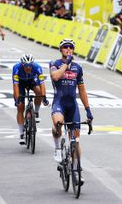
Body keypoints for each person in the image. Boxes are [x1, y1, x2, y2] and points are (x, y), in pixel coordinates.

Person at [49, 38, 93, 185]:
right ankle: (57, 148)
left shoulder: (78, 68)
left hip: (72, 105)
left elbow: (82, 90)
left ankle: (77, 170)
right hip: (59, 103)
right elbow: (55, 76)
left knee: (76, 140)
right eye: (65, 47)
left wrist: (88, 110)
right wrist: (66, 63)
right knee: (58, 124)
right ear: (61, 49)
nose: (68, 49)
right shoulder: (54, 64)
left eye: (71, 48)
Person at [12, 54, 49, 145]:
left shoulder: (37, 67)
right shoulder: (16, 68)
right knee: (20, 106)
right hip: (20, 83)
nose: (28, 68)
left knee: (39, 92)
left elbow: (42, 84)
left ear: (32, 64)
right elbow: (15, 86)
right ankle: (21, 134)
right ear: (22, 64)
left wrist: (44, 97)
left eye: (30, 66)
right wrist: (17, 99)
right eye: (26, 66)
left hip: (32, 80)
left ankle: (36, 112)